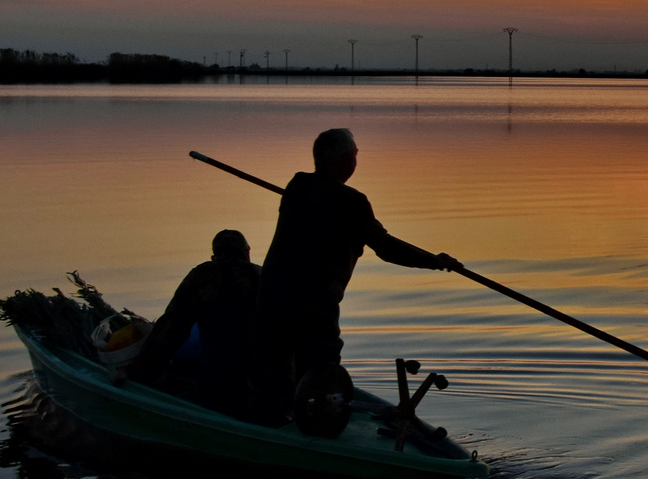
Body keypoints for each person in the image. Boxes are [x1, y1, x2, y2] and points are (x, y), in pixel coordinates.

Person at [255, 128, 457, 427]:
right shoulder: (351, 201)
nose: (356, 159)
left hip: (271, 296)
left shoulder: (298, 185)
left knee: (278, 367)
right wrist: (435, 261)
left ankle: (273, 419)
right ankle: (317, 428)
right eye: (356, 154)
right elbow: (386, 248)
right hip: (313, 303)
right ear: (346, 158)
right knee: (321, 366)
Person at [120, 229, 263, 415]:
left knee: (177, 378)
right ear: (248, 252)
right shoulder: (264, 277)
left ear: (214, 258)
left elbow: (170, 329)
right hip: (264, 384)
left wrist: (134, 373)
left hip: (217, 384)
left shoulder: (203, 277)